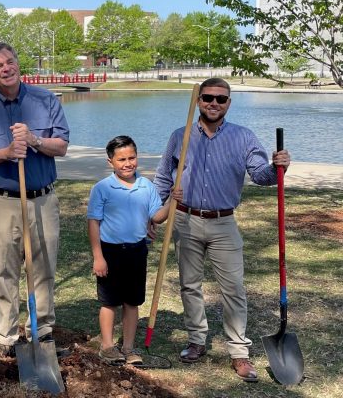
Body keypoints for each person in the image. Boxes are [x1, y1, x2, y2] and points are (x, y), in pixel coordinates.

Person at [154, 77, 291, 382]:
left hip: (223, 223)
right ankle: (196, 340)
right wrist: (153, 215)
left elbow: (261, 175)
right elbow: (163, 177)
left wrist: (278, 166)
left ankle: (239, 352)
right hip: (186, 220)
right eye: (207, 97)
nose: (214, 103)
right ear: (198, 100)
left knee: (233, 289)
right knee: (189, 285)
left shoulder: (243, 137)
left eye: (221, 98)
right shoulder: (181, 135)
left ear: (229, 103)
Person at [0, 42, 70, 358]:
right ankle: (6, 336)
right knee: (5, 271)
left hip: (41, 200)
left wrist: (35, 140)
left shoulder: (45, 100)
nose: (7, 68)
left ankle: (42, 333)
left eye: (11, 61)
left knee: (43, 268)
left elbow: (61, 146)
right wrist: (6, 152)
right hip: (0, 202)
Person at [87, 136, 177, 366]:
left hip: (137, 251)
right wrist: (98, 257)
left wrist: (171, 203)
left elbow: (156, 216)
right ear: (111, 162)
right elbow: (94, 222)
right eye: (122, 159)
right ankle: (107, 346)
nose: (128, 163)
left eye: (132, 158)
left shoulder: (146, 186)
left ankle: (128, 347)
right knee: (109, 301)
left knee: (132, 302)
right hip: (110, 252)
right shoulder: (103, 188)